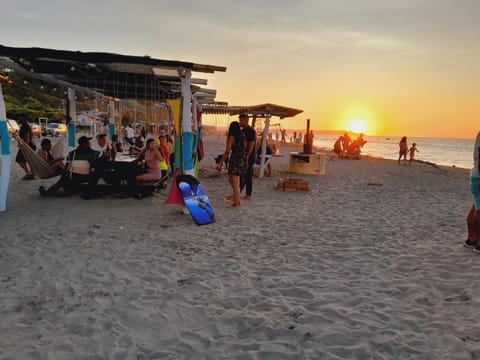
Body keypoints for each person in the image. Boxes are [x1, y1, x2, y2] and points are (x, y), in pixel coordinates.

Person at [216, 121, 247, 208]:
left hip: (236, 160)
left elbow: (227, 152)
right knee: (231, 179)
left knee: (236, 183)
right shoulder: (243, 136)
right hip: (242, 159)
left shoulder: (231, 137)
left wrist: (220, 162)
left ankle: (236, 203)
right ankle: (236, 198)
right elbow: (245, 148)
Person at [466, 131, 480, 252]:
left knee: (476, 207)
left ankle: (472, 239)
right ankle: (478, 242)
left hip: (476, 174)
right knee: (479, 209)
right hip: (479, 175)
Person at [239, 114, 256, 200]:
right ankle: (238, 192)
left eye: (241, 120)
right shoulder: (242, 130)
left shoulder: (251, 131)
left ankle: (248, 194)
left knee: (248, 175)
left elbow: (251, 145)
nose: (240, 122)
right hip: (243, 155)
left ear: (246, 120)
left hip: (249, 156)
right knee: (242, 174)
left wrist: (247, 156)